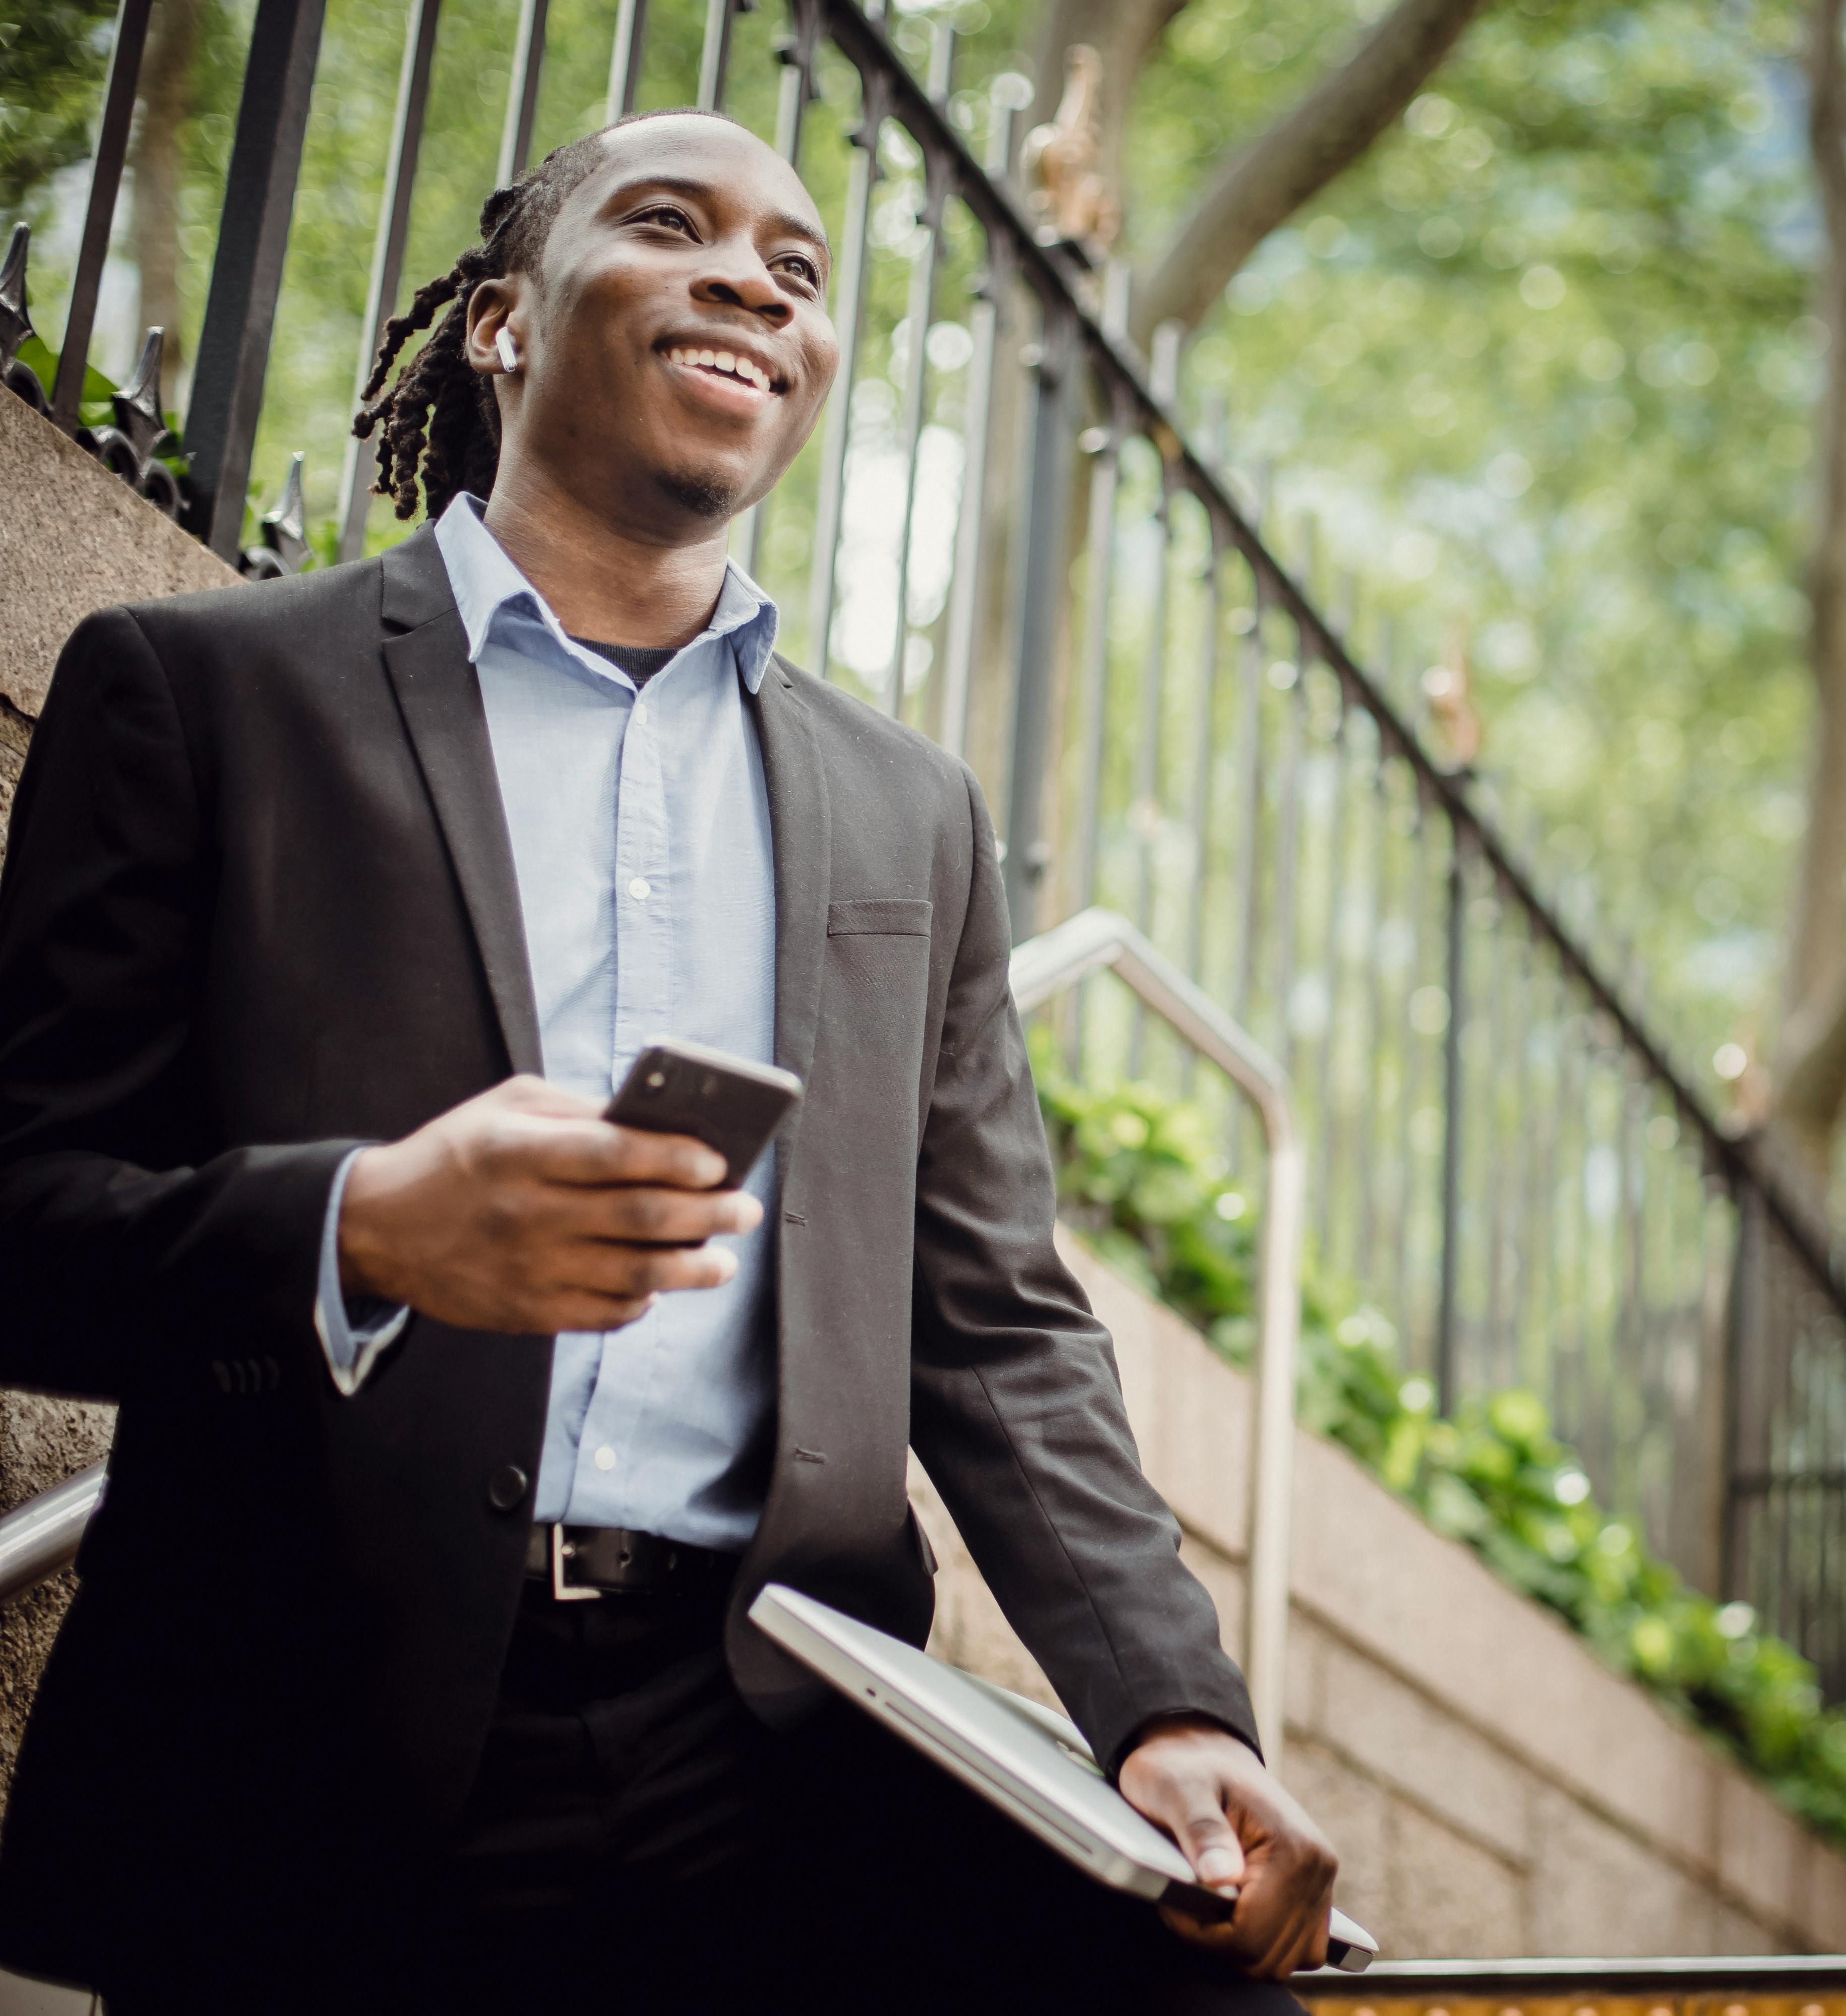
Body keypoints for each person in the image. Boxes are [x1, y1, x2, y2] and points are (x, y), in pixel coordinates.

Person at [0, 108, 1335, 2009]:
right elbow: (25, 1219)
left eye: (799, 268)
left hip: (777, 1744)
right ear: (502, 322)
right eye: (672, 226)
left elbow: (999, 1325)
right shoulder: (202, 697)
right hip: (307, 1743)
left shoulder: (910, 816)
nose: (754, 283)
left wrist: (1172, 1705)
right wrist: (363, 1231)